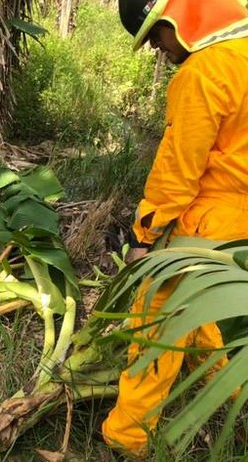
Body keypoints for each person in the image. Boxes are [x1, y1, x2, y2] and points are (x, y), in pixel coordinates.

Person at [102, 0, 248, 457]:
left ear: (174, 19)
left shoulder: (205, 71)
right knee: (199, 304)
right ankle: (225, 394)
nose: (157, 51)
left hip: (209, 214)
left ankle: (126, 437)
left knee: (157, 315)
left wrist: (143, 238)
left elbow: (178, 169)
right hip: (238, 218)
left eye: (155, 37)